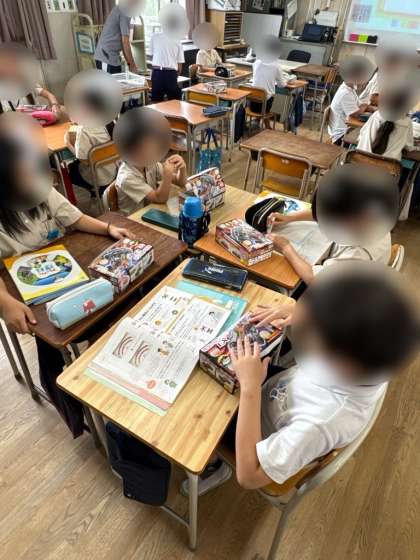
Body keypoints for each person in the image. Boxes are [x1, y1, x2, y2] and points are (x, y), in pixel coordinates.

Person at [181, 264, 419, 494]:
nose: (309, 329)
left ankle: (214, 467)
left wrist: (250, 388)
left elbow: (250, 476)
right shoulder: (373, 359)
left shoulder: (321, 424)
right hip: (276, 392)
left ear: (345, 361)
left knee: (188, 409)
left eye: (317, 331)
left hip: (255, 431)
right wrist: (302, 315)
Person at [0, 112, 134, 438]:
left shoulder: (38, 187)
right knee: (55, 342)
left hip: (63, 273)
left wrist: (107, 228)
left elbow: (74, 218)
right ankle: (74, 410)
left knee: (113, 304)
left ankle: (110, 375)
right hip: (23, 292)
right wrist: (5, 302)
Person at [266, 164, 398, 285]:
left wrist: (285, 247)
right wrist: (290, 217)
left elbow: (314, 280)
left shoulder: (356, 254)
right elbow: (328, 212)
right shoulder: (372, 214)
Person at [103, 107, 187, 215]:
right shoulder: (127, 177)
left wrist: (182, 168)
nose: (153, 150)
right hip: (135, 220)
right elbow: (160, 198)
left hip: (151, 212)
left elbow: (181, 183)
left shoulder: (149, 163)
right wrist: (167, 175)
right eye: (147, 147)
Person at [64, 90, 118, 196]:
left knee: (71, 168)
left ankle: (92, 193)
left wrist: (68, 144)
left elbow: (84, 160)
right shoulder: (110, 120)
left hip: (99, 177)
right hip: (114, 172)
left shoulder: (83, 130)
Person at [357, 86, 414, 160]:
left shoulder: (377, 115)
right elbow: (409, 147)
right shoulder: (407, 122)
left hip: (360, 160)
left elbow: (361, 134)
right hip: (387, 166)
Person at [328, 59, 376, 145]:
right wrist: (365, 106)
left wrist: (370, 108)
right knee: (371, 139)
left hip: (346, 129)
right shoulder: (345, 93)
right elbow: (355, 114)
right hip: (341, 136)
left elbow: (359, 105)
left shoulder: (350, 89)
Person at [94, 3, 138, 74]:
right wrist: (132, 65)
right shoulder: (125, 12)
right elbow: (125, 42)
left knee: (117, 79)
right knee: (107, 81)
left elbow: (123, 43)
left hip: (113, 57)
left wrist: (129, 63)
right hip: (105, 57)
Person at [251, 58, 287, 128]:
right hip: (266, 106)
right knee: (278, 94)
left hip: (252, 104)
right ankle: (269, 126)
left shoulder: (256, 62)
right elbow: (281, 85)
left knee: (264, 93)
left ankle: (257, 121)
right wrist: (286, 81)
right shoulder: (276, 66)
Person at [150, 30, 184, 102]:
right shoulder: (177, 39)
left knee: (156, 103)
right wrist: (175, 75)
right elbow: (180, 64)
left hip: (157, 73)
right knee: (174, 102)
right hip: (170, 74)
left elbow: (153, 55)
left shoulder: (154, 36)